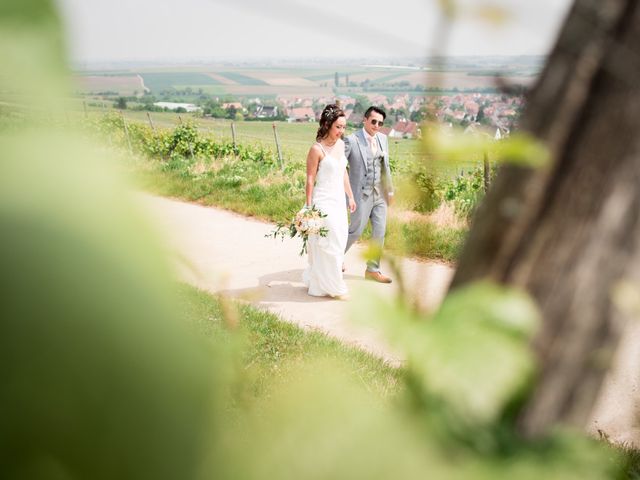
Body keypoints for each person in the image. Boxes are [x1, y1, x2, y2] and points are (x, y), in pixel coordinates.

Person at [302, 104, 357, 298]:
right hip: (322, 201)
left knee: (340, 240)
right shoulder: (316, 150)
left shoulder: (341, 145)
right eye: (338, 127)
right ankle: (335, 287)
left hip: (338, 202)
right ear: (327, 125)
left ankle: (320, 283)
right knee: (329, 241)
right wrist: (309, 208)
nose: (341, 132)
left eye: (344, 127)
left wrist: (350, 196)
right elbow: (310, 179)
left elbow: (343, 173)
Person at [344, 106, 394, 283]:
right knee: (355, 231)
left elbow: (385, 167)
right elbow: (340, 167)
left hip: (379, 194)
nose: (377, 125)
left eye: (380, 123)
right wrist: (347, 194)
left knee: (379, 232)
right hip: (360, 195)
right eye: (373, 121)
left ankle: (373, 270)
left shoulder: (383, 139)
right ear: (365, 120)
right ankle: (332, 259)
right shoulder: (351, 140)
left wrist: (390, 190)